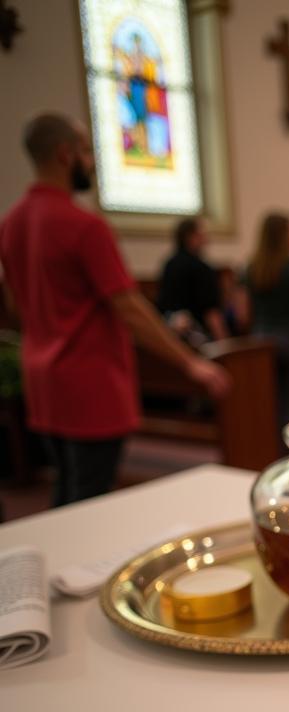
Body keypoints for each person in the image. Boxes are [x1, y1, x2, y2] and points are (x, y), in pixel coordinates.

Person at [0, 113, 229, 506]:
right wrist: (190, 363)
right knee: (90, 500)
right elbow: (130, 309)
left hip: (41, 379)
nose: (91, 162)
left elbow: (14, 305)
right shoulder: (84, 226)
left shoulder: (10, 223)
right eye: (87, 151)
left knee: (67, 490)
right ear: (65, 155)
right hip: (89, 382)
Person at [239, 212, 289, 430]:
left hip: (260, 342)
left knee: (269, 402)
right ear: (284, 235)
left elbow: (243, 313)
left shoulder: (251, 268)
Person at [157, 216, 228, 341]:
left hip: (170, 337)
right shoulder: (200, 268)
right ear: (190, 237)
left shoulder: (169, 264)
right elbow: (210, 311)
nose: (206, 239)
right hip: (198, 337)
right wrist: (224, 342)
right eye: (202, 234)